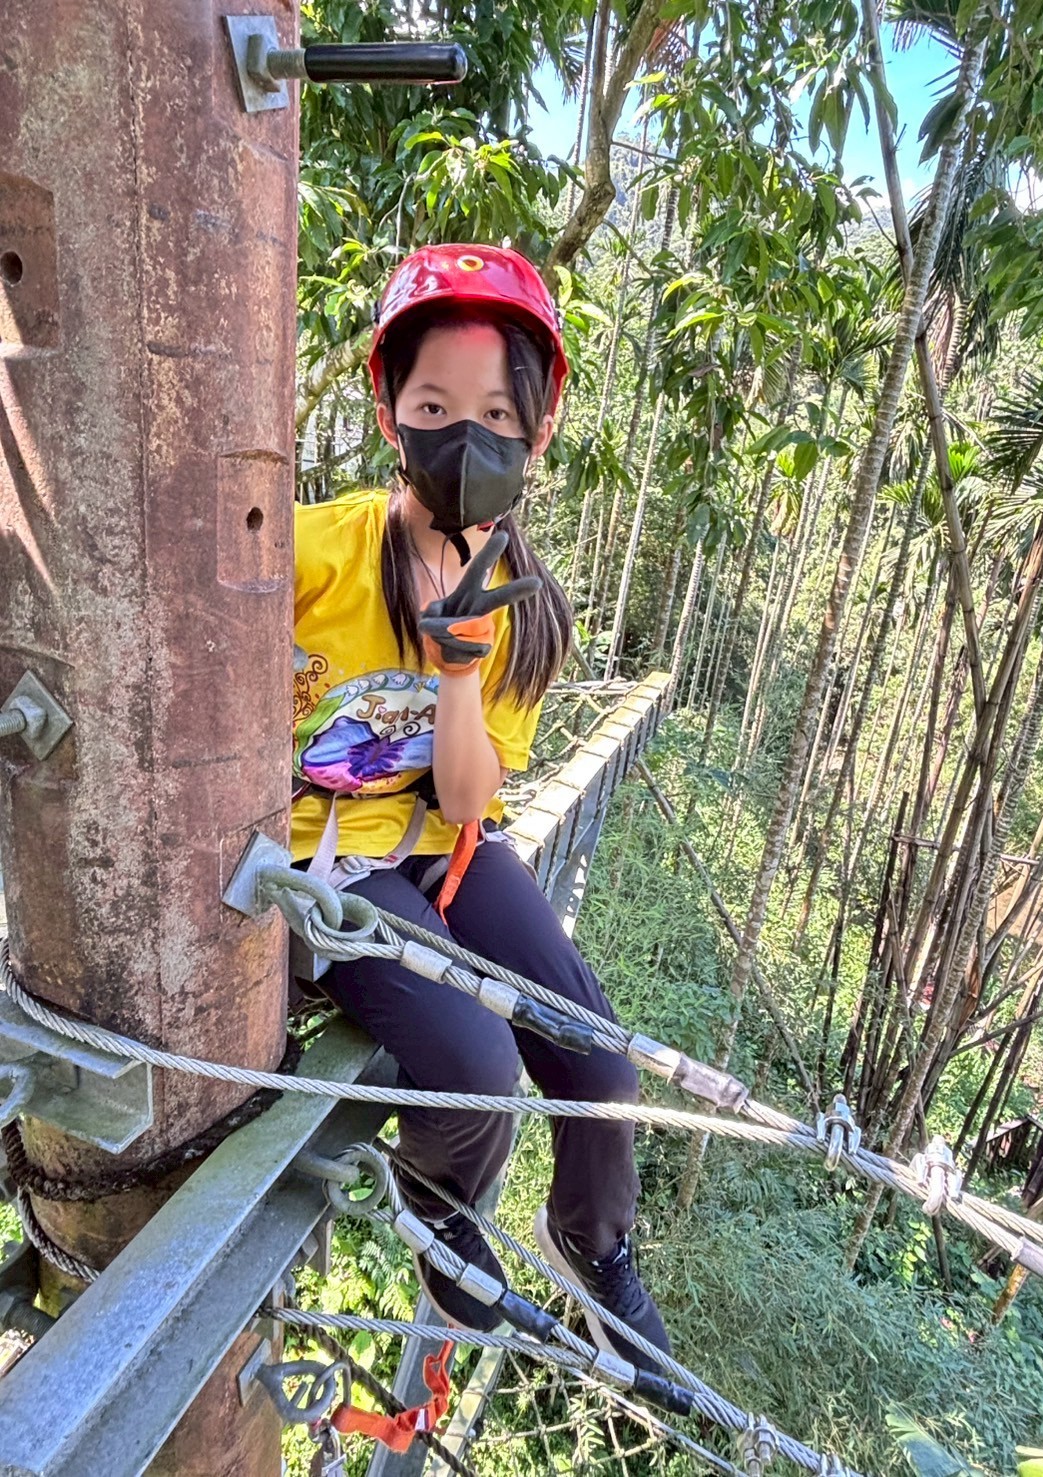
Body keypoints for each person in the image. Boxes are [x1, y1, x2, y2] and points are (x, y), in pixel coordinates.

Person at [291, 243, 669, 1369]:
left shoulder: (520, 604)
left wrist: (458, 661)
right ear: (389, 411)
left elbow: (466, 799)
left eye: (498, 412)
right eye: (434, 405)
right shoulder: (312, 553)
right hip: (327, 864)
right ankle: (440, 1214)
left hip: (441, 838)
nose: (466, 436)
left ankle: (592, 1239)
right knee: (477, 1069)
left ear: (537, 428)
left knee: (597, 1060)